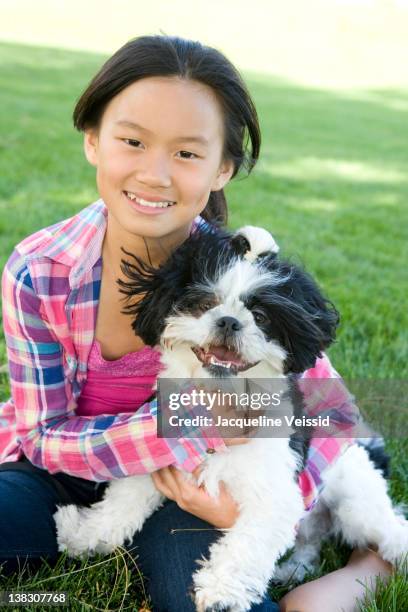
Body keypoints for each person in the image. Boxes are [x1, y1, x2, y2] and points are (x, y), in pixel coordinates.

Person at [0, 35, 392, 611]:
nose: (155, 173)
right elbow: (40, 436)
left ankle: (372, 563)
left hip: (188, 491)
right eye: (132, 141)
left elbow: (326, 413)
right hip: (64, 470)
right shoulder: (41, 270)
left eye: (187, 153)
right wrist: (189, 423)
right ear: (92, 141)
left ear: (222, 169)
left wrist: (254, 506)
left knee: (209, 601)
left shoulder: (247, 279)